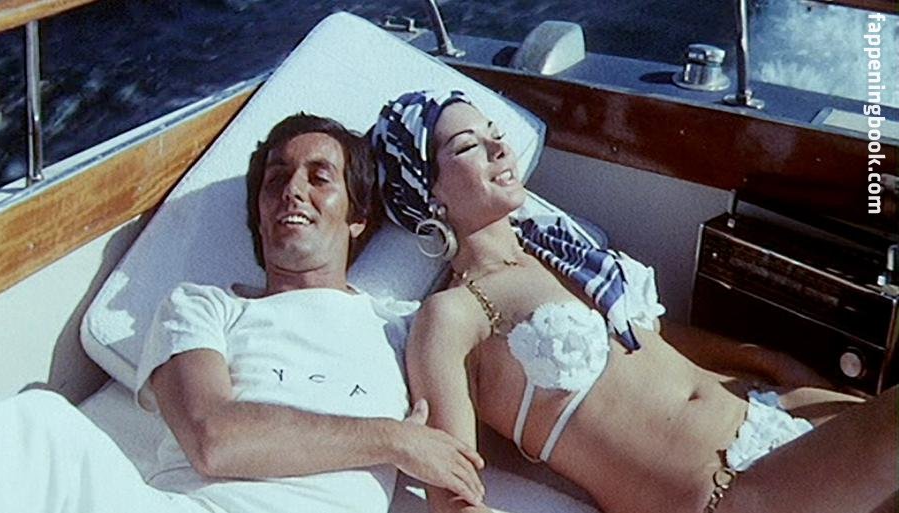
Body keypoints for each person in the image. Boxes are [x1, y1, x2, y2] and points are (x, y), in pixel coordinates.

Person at [0, 113, 485, 513]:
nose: (292, 191)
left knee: (31, 427)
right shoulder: (202, 307)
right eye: (276, 179)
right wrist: (392, 440)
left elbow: (463, 464)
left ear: (357, 216)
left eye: (319, 177)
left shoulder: (402, 328)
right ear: (259, 215)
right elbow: (212, 438)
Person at [371, 90, 898, 513]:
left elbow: (644, 341)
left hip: (764, 410)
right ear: (428, 191)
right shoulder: (451, 316)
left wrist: (767, 361)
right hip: (726, 488)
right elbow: (452, 495)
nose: (499, 149)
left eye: (496, 134)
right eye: (468, 146)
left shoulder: (557, 248)